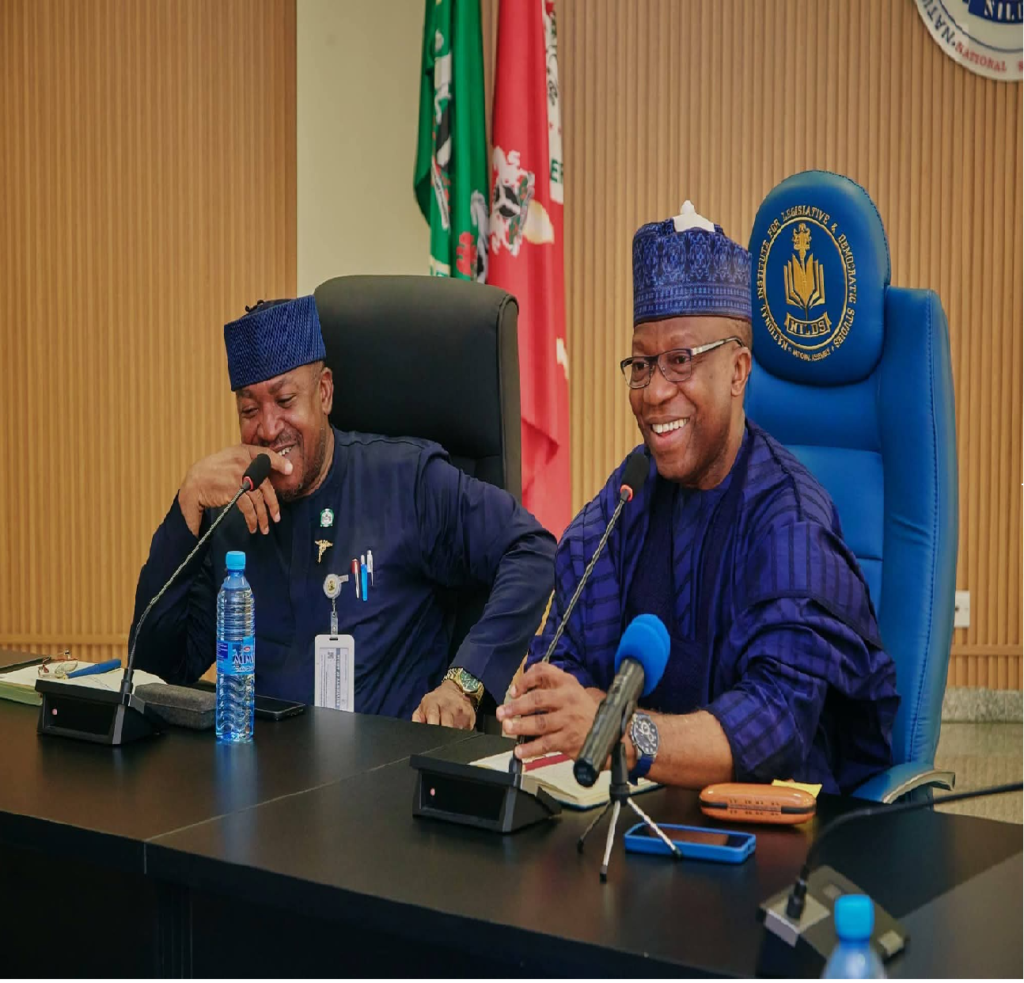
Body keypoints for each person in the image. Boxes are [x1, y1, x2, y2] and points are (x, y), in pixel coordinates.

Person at [498, 208, 899, 794]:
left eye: (681, 361)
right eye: (641, 364)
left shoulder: (789, 518)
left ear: (738, 371)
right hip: (625, 819)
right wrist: (551, 701)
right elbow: (566, 649)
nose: (655, 392)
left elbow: (776, 723)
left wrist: (620, 732)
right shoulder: (628, 496)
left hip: (765, 841)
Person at [132, 295, 555, 728]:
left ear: (325, 392)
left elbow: (531, 549)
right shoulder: (234, 516)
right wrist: (188, 502)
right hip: (259, 779)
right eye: (249, 410)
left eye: (285, 400)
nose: (269, 427)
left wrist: (464, 682)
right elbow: (155, 673)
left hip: (384, 779)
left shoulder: (405, 481)